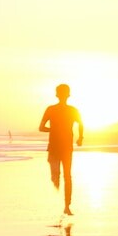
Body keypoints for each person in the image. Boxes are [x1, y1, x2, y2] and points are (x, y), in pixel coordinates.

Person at [39, 83, 84, 215]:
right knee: (67, 176)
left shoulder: (51, 109)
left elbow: (41, 128)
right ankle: (67, 206)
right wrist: (80, 137)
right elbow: (81, 124)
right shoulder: (72, 110)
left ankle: (66, 205)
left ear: (57, 94)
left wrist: (53, 129)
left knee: (61, 176)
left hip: (56, 147)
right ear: (68, 95)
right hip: (65, 147)